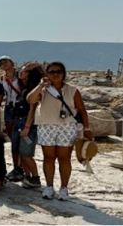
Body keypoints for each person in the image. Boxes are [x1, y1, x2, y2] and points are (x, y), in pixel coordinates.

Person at [26, 62, 93, 201]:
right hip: (46, 126)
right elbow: (30, 99)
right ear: (47, 74)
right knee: (48, 158)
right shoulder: (43, 90)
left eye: (59, 71)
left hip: (66, 126)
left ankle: (64, 188)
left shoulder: (72, 90)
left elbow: (82, 110)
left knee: (64, 158)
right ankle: (49, 186)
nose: (55, 74)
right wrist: (40, 85)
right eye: (51, 72)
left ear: (63, 74)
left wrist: (87, 128)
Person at [12, 63, 43, 189]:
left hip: (27, 123)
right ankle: (28, 176)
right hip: (19, 121)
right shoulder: (24, 87)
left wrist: (27, 127)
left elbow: (32, 109)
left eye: (25, 71)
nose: (21, 72)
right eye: (20, 70)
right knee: (20, 151)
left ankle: (35, 178)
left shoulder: (33, 89)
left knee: (26, 153)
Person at [0, 56, 23, 182]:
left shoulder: (20, 75)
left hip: (20, 108)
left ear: (12, 62)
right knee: (13, 138)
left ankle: (21, 167)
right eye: (1, 63)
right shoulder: (3, 78)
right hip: (9, 108)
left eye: (5, 62)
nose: (4, 64)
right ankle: (16, 167)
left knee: (20, 139)